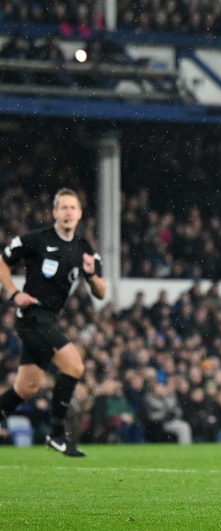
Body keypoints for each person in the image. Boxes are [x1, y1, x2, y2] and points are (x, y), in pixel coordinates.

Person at [0, 188, 106, 457]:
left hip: (48, 319)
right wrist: (13, 292)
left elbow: (101, 292)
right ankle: (57, 435)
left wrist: (92, 276)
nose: (68, 212)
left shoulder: (84, 250)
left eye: (73, 207)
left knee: (26, 388)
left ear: (80, 214)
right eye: (64, 207)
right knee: (75, 366)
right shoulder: (37, 240)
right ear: (55, 213)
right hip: (31, 316)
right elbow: (2, 261)